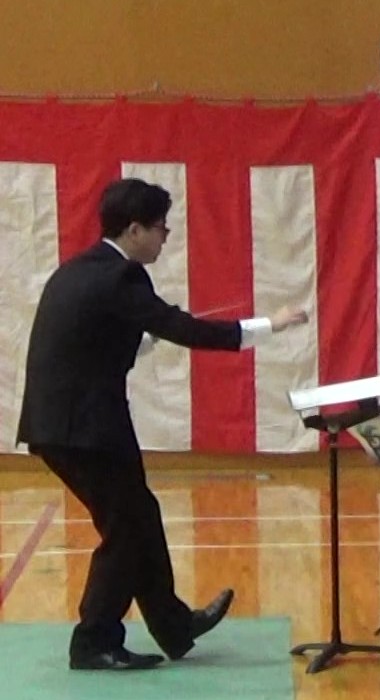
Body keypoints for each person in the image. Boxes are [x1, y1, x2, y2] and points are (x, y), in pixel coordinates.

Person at [16, 177, 309, 670]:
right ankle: (93, 641)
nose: (165, 237)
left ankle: (173, 625)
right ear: (134, 230)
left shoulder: (80, 270)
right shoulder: (121, 277)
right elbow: (185, 329)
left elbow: (105, 340)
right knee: (127, 528)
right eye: (160, 228)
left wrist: (151, 336)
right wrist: (270, 326)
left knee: (139, 516)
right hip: (83, 428)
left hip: (64, 424)